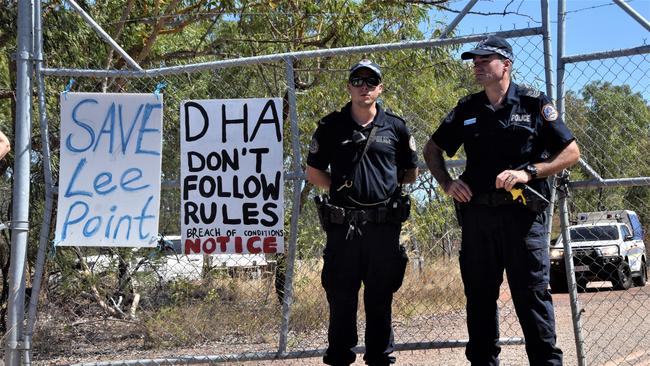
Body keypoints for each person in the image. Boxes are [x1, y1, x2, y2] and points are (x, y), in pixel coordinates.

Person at [423, 35, 580, 366]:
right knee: (479, 300)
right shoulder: (467, 109)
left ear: (506, 64)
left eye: (484, 61)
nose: (477, 67)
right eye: (474, 62)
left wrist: (531, 172)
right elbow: (432, 149)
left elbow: (571, 152)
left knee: (532, 299)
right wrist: (448, 182)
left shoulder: (533, 102)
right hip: (478, 220)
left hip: (524, 220)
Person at [306, 59, 419, 366]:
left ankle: (380, 356)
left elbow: (410, 171)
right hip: (343, 228)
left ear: (380, 89)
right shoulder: (331, 126)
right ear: (349, 87)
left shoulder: (395, 126)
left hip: (384, 227)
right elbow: (314, 173)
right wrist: (341, 192)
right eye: (358, 81)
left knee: (380, 296)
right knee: (341, 296)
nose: (364, 87)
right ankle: (340, 356)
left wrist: (382, 190)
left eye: (371, 82)